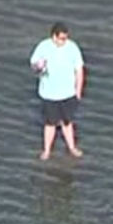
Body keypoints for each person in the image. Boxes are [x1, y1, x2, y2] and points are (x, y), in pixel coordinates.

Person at [29, 22, 85, 160]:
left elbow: (79, 70)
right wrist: (39, 66)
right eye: (61, 38)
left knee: (67, 122)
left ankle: (71, 147)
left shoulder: (72, 48)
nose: (64, 41)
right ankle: (47, 150)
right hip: (49, 94)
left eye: (65, 38)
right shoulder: (43, 47)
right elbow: (34, 66)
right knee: (50, 123)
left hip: (68, 93)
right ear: (54, 36)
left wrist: (78, 91)